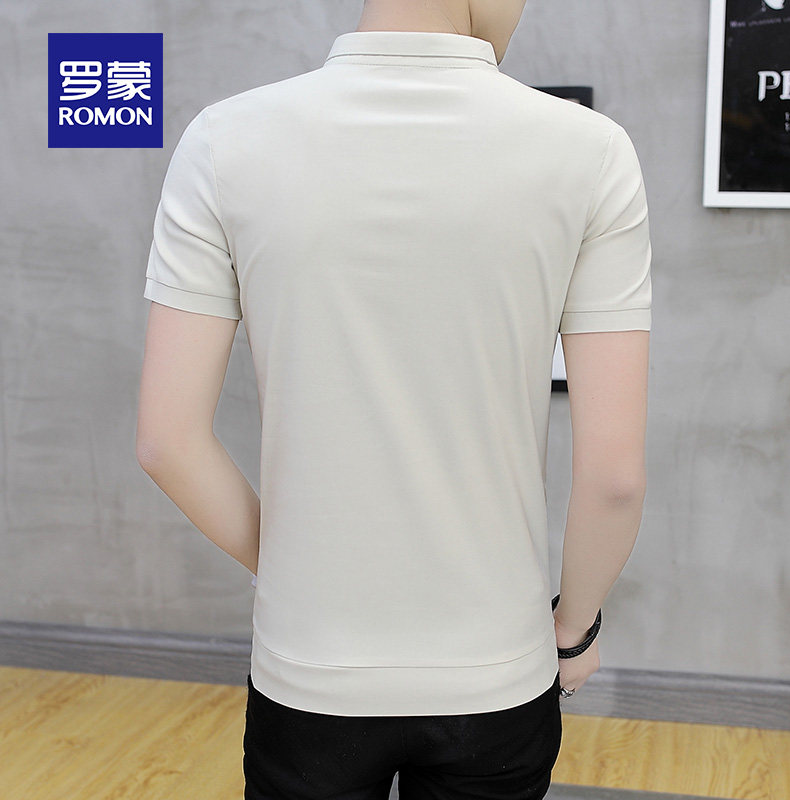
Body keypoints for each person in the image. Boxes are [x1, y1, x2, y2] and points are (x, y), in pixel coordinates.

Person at [136, 0, 651, 797]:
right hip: (497, 674)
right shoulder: (592, 152)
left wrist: (298, 573)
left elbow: (168, 442)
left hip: (309, 673)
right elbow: (614, 476)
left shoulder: (223, 141)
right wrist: (573, 629)